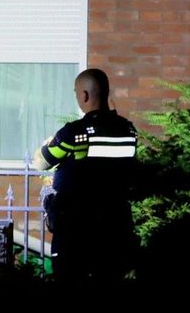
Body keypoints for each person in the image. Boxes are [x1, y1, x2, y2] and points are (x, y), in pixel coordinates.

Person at [32, 68, 139, 282]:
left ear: (84, 95)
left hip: (77, 228)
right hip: (115, 226)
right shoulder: (127, 131)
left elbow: (42, 161)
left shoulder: (75, 133)